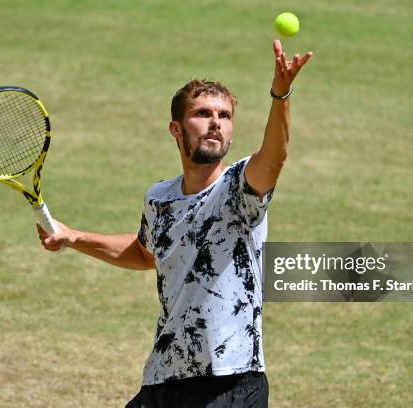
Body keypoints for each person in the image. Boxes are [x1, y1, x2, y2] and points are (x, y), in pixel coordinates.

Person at [37, 39, 313, 408]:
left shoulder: (239, 187)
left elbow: (274, 158)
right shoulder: (160, 198)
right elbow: (143, 251)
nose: (216, 122)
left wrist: (281, 95)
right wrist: (72, 236)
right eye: (203, 113)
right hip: (167, 374)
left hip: (229, 382)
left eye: (225, 116)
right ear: (176, 129)